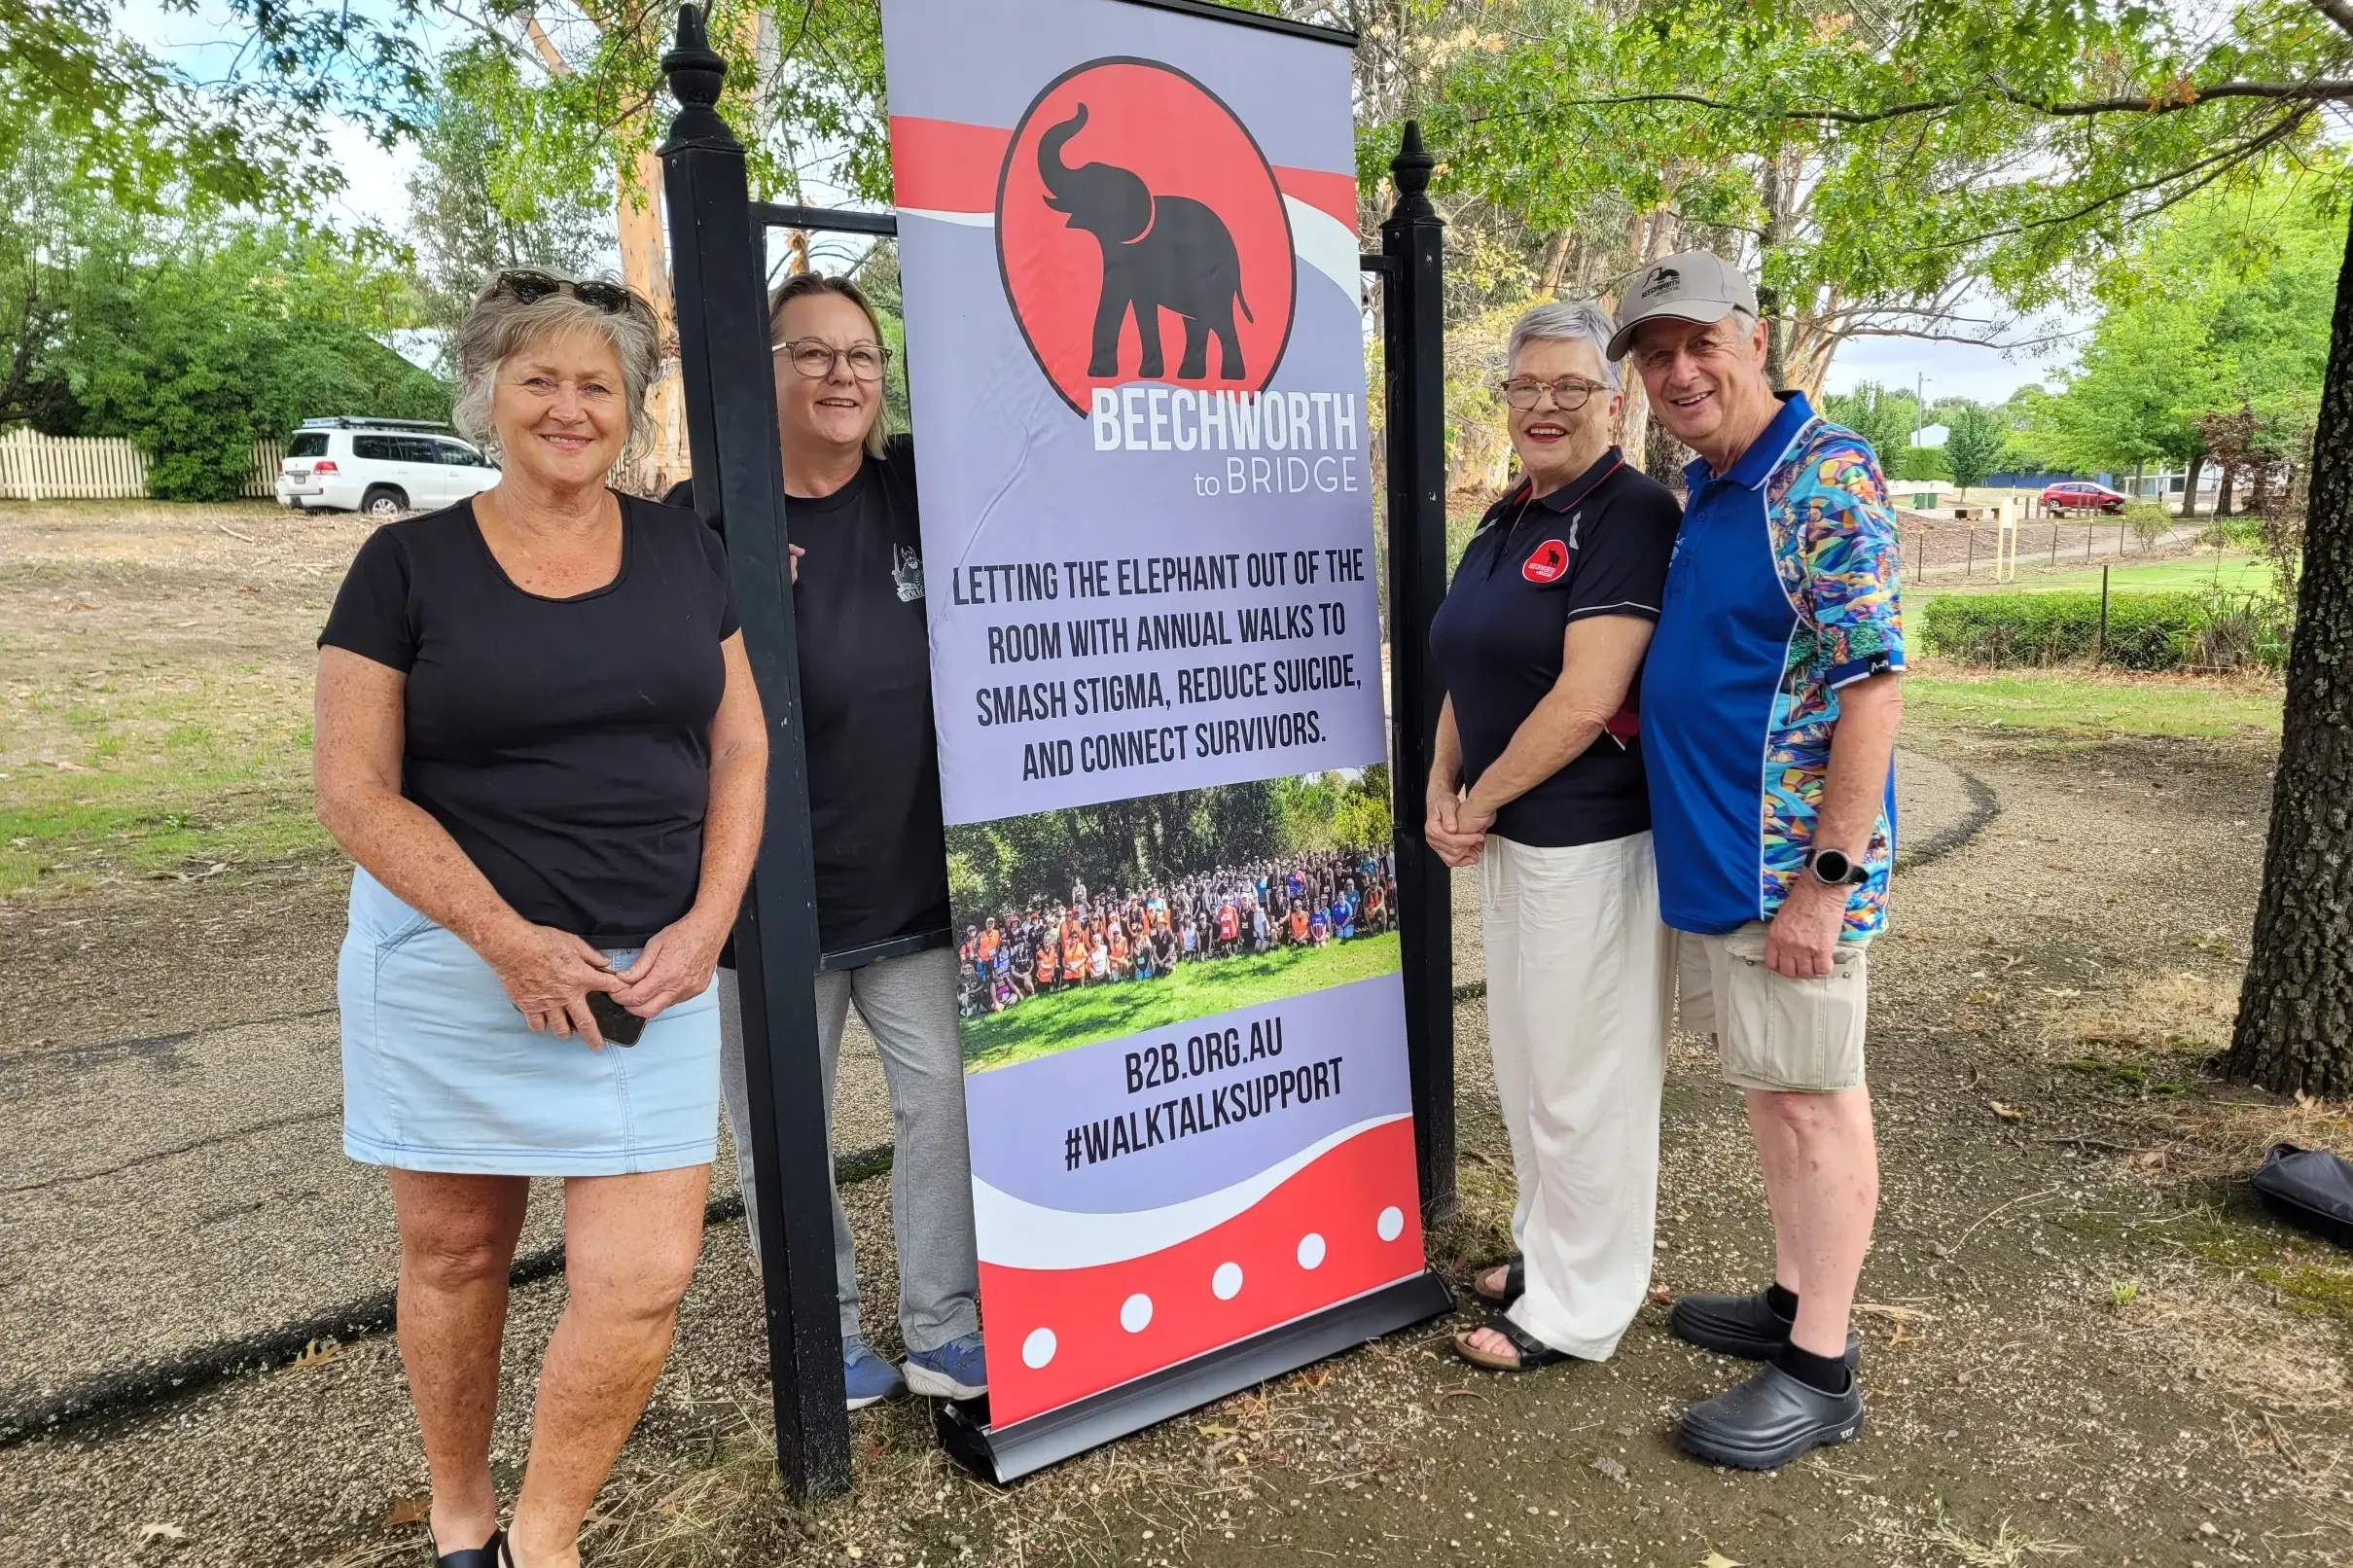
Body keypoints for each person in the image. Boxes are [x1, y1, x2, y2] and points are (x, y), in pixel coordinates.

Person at [314, 269, 763, 1568]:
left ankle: (544, 1539)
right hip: (459, 967)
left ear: (628, 410)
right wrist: (502, 934)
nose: (570, 408)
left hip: (648, 979)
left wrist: (709, 921)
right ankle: (460, 1514)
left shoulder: (685, 550)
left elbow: (740, 752)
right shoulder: (404, 564)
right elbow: (352, 789)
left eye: (598, 386)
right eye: (540, 380)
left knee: (642, 1279)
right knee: (457, 1257)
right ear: (489, 397)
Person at [673, 272, 984, 1410]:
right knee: (781, 1133)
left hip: (915, 887)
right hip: (767, 899)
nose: (843, 375)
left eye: (861, 355)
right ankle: (824, 1334)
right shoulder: (703, 522)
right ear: (764, 374)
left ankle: (945, 1327)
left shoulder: (922, 497)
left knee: (945, 1103)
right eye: (813, 354)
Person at [1617, 252, 1905, 1469]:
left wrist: (1823, 883)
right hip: (1714, 862)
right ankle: (1791, 1295)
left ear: (1754, 337)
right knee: (1770, 1091)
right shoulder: (1711, 488)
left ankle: (1821, 1368)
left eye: (1700, 344)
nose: (1679, 372)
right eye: (1654, 353)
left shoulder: (1819, 475)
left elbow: (1872, 685)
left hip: (1787, 869)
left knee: (1815, 1101)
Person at [1426, 299, 1682, 1375]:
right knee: (1530, 1066)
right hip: (1509, 837)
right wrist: (1443, 781)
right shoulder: (1507, 518)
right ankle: (1547, 1248)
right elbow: (1466, 666)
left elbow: (1585, 698)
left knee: (1587, 1078)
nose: (1544, 405)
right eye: (1525, 385)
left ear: (1610, 400)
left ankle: (1582, 1304)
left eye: (1569, 386)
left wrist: (1474, 803)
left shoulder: (1630, 515)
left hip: (1589, 839)